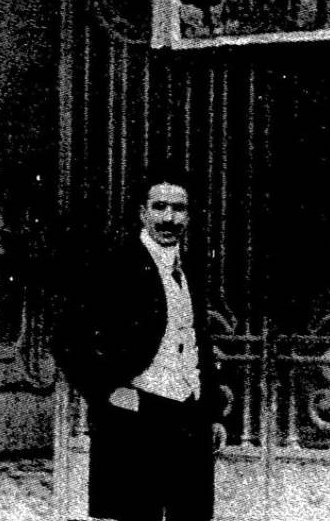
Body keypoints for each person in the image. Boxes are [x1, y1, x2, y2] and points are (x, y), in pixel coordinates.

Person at [53, 169, 225, 521]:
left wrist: (211, 414)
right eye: (159, 207)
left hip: (189, 416)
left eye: (178, 209)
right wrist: (108, 391)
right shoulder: (112, 263)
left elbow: (196, 343)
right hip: (137, 415)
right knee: (137, 514)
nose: (169, 218)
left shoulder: (192, 267)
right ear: (142, 212)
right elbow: (67, 338)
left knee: (190, 514)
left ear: (189, 216)